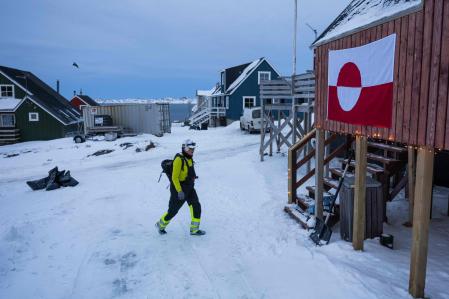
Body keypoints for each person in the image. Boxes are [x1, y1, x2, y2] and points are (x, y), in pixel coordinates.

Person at [156, 139, 205, 236]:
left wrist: (192, 177)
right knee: (173, 211)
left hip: (190, 188)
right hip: (179, 189)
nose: (192, 150)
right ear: (185, 148)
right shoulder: (179, 159)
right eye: (190, 149)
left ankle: (194, 230)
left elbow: (188, 171)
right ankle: (160, 225)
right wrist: (179, 191)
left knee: (196, 207)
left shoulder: (189, 158)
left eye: (193, 149)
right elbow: (174, 177)